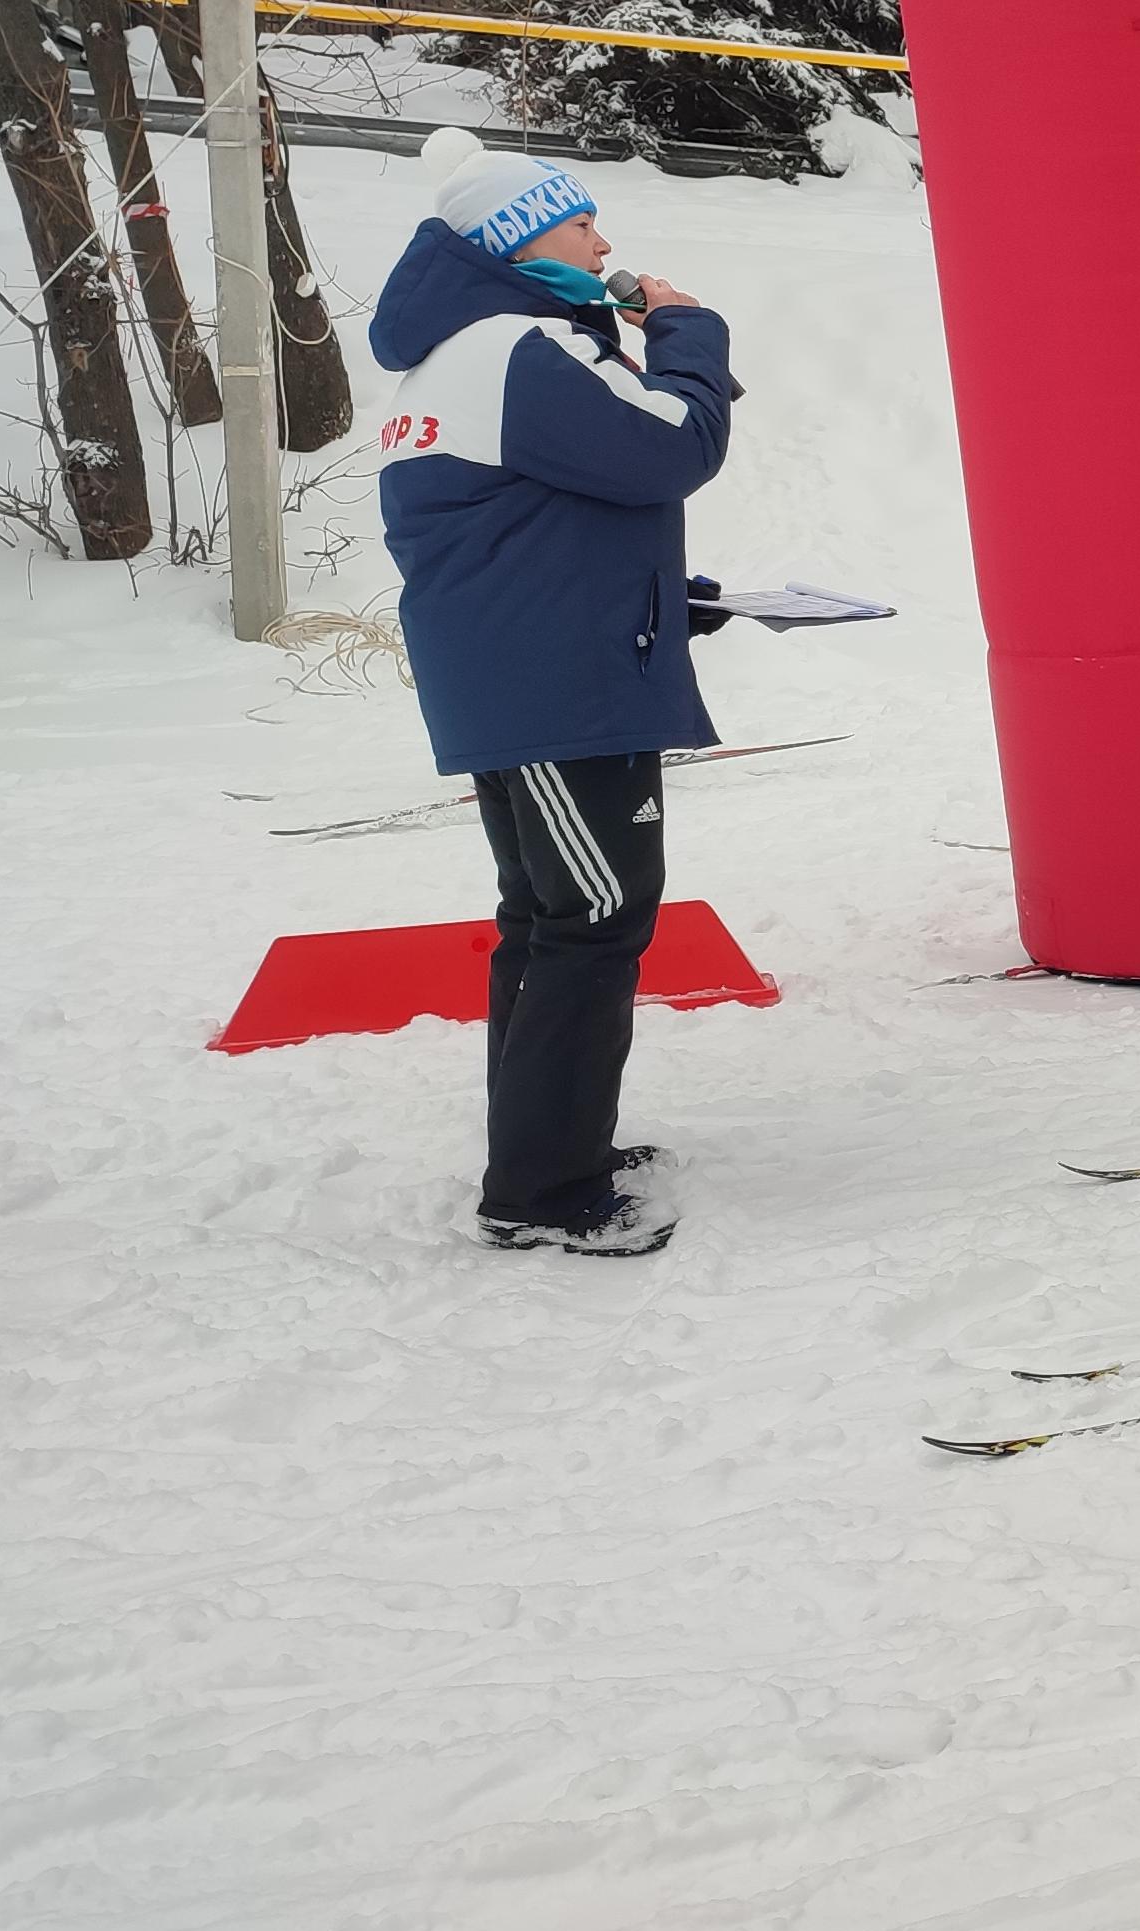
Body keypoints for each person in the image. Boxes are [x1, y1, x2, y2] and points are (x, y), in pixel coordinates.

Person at [373, 150, 738, 1258]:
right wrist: (688, 330)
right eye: (584, 226)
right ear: (526, 240)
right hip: (555, 689)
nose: (605, 247)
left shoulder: (472, 351)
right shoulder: (513, 348)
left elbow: (517, 524)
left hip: (531, 676)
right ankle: (544, 1188)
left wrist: (659, 595)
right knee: (594, 920)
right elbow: (672, 446)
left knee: (551, 917)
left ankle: (551, 1147)